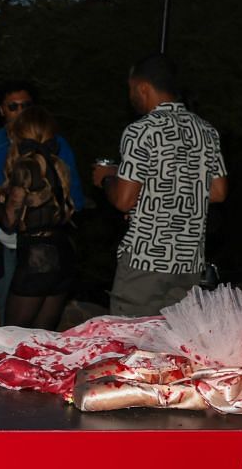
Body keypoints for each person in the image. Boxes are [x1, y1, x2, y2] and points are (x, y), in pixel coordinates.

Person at [91, 54, 229, 317]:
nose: (130, 96)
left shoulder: (140, 132)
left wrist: (108, 178)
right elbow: (218, 192)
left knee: (131, 343)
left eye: (131, 89)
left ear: (143, 87)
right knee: (172, 341)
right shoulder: (205, 131)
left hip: (146, 261)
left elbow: (124, 200)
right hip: (189, 260)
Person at [0, 80, 87, 293]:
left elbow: (74, 197)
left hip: (46, 245)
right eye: (13, 106)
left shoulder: (56, 145)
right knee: (10, 309)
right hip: (4, 241)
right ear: (1, 110)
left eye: (26, 106)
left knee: (28, 321)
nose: (20, 111)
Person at [0, 106, 76, 329]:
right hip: (63, 256)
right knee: (43, 340)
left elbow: (9, 221)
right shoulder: (57, 164)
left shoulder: (26, 166)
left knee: (12, 338)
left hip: (36, 259)